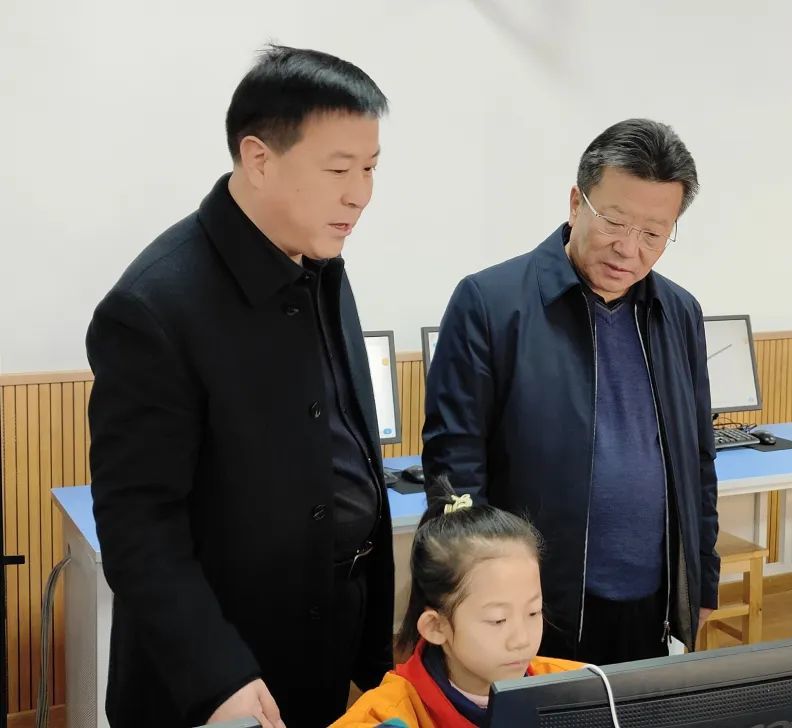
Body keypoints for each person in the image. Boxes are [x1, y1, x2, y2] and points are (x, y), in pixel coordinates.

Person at [86, 45, 392, 728]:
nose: (360, 194)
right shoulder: (154, 306)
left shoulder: (319, 260)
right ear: (259, 158)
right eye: (338, 169)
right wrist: (215, 672)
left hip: (323, 635)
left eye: (371, 168)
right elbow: (139, 527)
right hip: (221, 671)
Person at [421, 118, 719, 663]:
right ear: (577, 202)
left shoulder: (678, 313)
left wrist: (700, 581)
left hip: (650, 599)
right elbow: (454, 468)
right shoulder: (490, 303)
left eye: (653, 234)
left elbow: (698, 460)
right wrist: (477, 604)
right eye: (615, 222)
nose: (628, 249)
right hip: (532, 609)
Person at [331, 477, 582, 727]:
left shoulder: (576, 688)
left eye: (533, 612)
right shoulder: (387, 715)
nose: (522, 640)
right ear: (435, 627)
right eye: (498, 620)